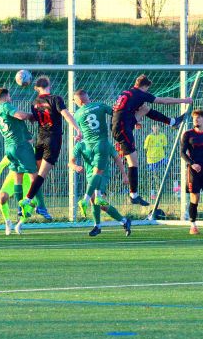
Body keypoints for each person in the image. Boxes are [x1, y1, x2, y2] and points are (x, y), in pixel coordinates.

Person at [111, 74, 192, 206]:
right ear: (144, 86)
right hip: (122, 129)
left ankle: (172, 122)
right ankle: (133, 195)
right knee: (133, 162)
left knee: (145, 108)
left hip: (120, 124)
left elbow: (122, 109)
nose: (147, 92)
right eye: (147, 89)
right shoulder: (141, 94)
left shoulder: (127, 92)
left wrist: (134, 120)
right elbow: (164, 100)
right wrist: (184, 100)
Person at [19, 76, 83, 220]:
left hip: (40, 139)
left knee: (35, 175)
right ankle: (27, 200)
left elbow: (35, 118)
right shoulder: (56, 99)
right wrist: (77, 129)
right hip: (53, 139)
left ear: (37, 87)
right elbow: (66, 114)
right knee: (41, 175)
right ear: (49, 84)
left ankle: (37, 205)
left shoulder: (34, 103)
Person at [72, 89, 131, 236]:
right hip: (91, 171)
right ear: (88, 98)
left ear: (78, 102)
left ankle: (88, 205)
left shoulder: (78, 115)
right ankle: (110, 223)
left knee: (98, 199)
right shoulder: (100, 105)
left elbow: (117, 157)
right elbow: (116, 114)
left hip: (101, 173)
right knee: (96, 200)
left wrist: (124, 175)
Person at [0, 87, 38, 233]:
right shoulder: (6, 106)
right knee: (35, 179)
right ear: (6, 97)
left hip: (10, 147)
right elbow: (19, 116)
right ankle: (39, 205)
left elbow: (16, 122)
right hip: (19, 146)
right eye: (9, 97)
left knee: (21, 181)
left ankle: (20, 218)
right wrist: (32, 115)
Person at [69, 140, 131, 237]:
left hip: (102, 175)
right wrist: (76, 167)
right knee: (99, 203)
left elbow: (117, 158)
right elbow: (70, 162)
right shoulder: (80, 145)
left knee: (94, 198)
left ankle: (97, 226)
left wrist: (124, 174)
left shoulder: (105, 143)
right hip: (90, 177)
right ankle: (124, 221)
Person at [0, 154, 32, 235]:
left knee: (29, 205)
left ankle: (20, 224)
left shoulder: (35, 151)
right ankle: (7, 222)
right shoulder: (13, 149)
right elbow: (2, 164)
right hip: (12, 179)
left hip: (27, 182)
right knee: (2, 197)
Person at [144, 124, 167, 193]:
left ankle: (175, 190)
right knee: (153, 176)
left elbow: (164, 146)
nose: (156, 128)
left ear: (159, 127)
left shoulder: (163, 136)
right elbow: (145, 148)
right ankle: (153, 193)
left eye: (158, 126)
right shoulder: (149, 137)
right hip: (152, 160)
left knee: (170, 166)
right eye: (154, 126)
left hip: (161, 158)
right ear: (152, 127)